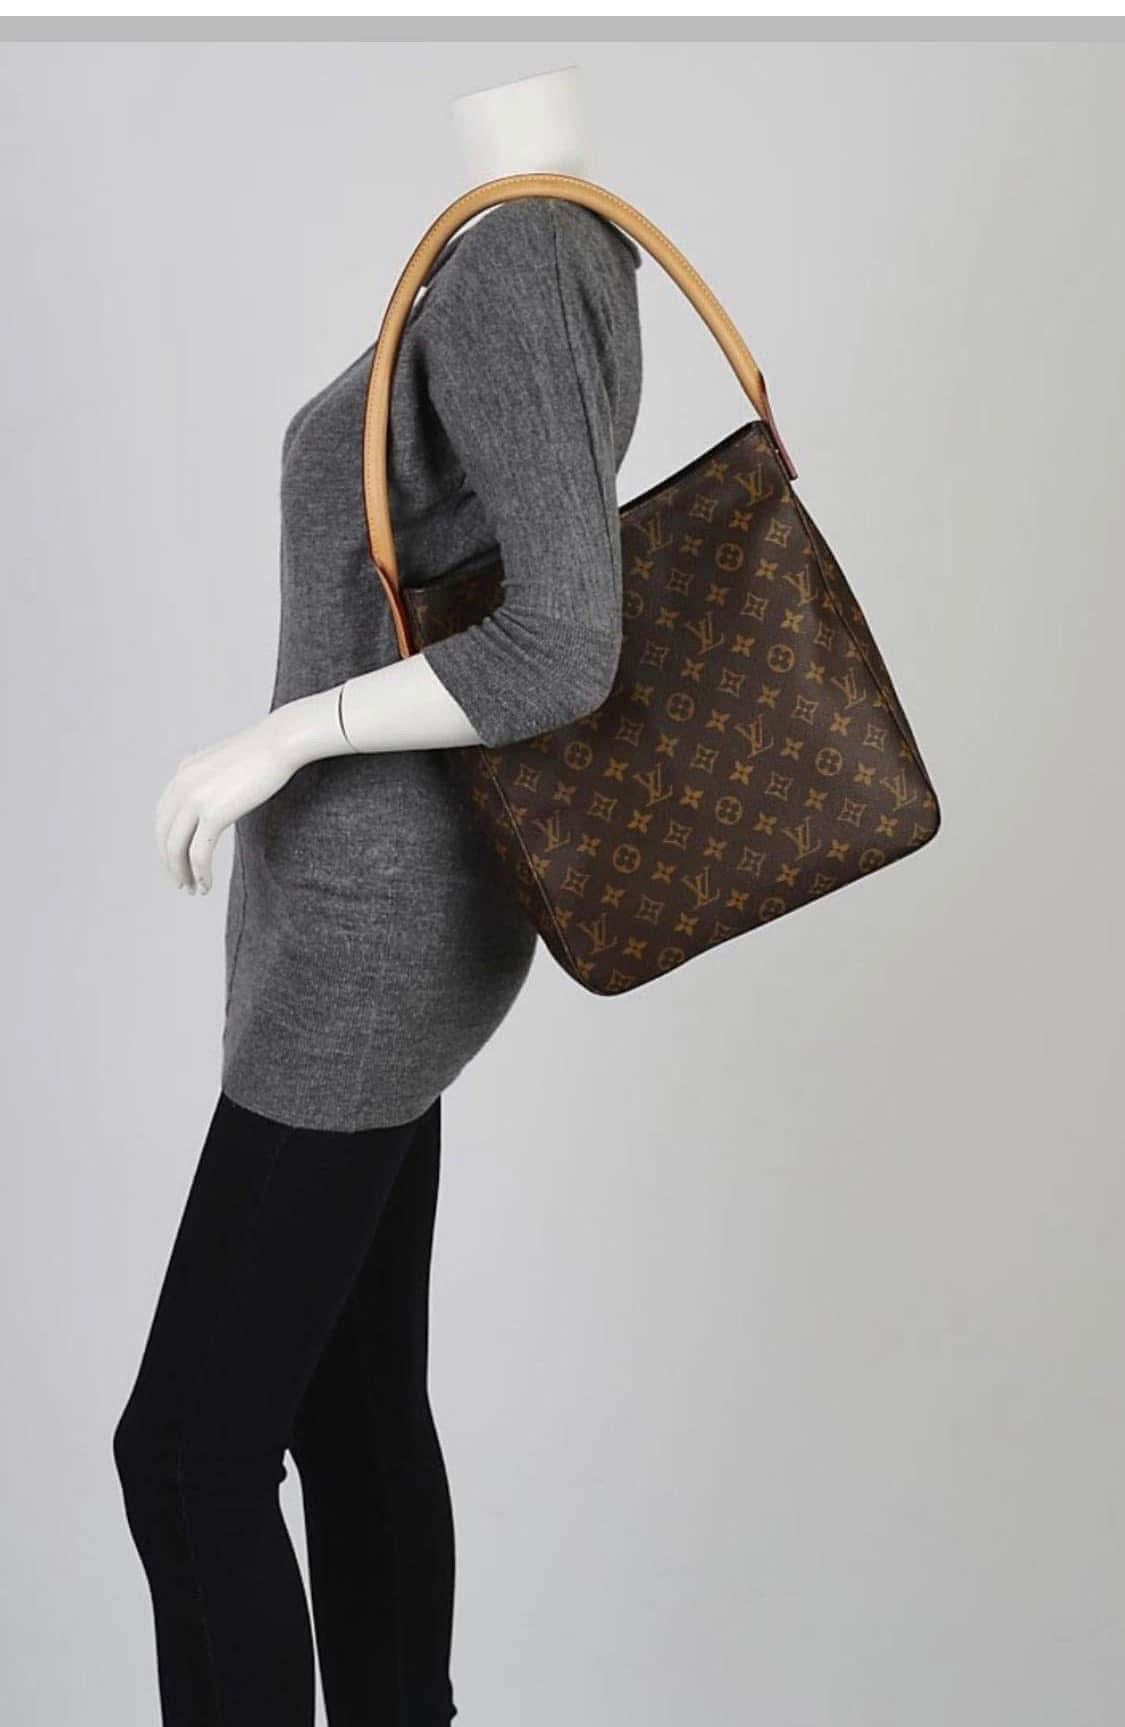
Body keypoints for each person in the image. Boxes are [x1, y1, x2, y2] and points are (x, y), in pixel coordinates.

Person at [113, 66, 644, 1727]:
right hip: (386, 906)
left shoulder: (518, 262)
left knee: (186, 1454)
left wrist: (285, 734)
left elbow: (562, 644)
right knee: (348, 1406)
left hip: (372, 925)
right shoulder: (554, 242)